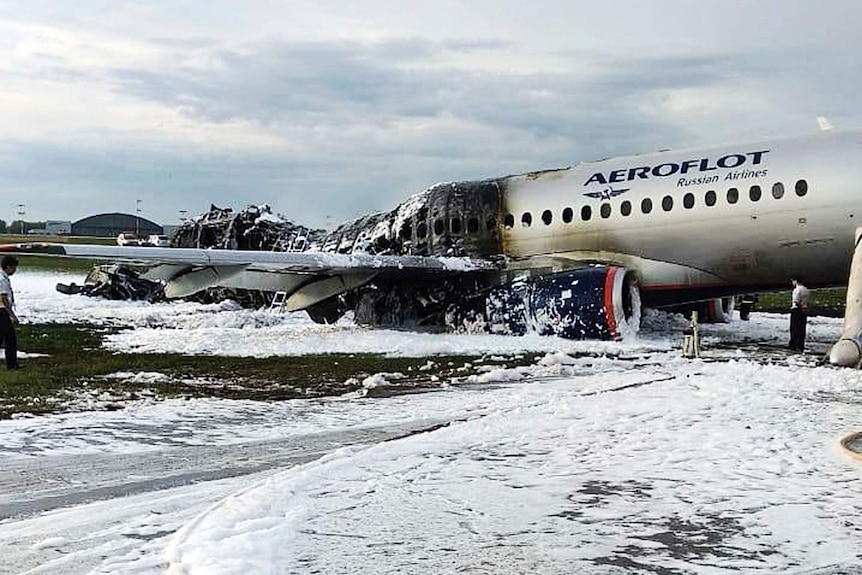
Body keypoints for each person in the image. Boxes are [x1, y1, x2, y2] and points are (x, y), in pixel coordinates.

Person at [0, 255, 20, 369]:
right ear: (8, 267)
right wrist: (12, 315)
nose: (14, 271)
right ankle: (12, 365)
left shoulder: (2, 277)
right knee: (10, 339)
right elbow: (3, 298)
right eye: (14, 268)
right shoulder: (2, 280)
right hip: (2, 311)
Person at [789, 276, 809, 352]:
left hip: (797, 310)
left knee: (794, 328)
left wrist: (800, 308)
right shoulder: (806, 289)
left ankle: (793, 344)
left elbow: (796, 301)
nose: (792, 283)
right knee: (802, 329)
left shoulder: (797, 290)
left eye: (793, 281)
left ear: (796, 281)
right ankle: (801, 345)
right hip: (804, 309)